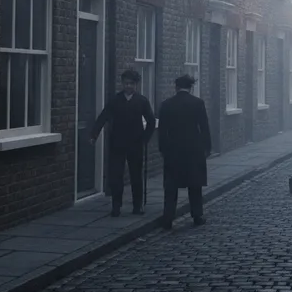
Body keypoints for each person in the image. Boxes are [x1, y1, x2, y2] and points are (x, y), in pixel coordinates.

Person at [91, 68, 155, 217]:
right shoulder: (115, 100)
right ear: (122, 83)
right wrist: (94, 134)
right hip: (117, 143)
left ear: (136, 84)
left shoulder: (142, 101)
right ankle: (116, 206)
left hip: (135, 144)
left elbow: (151, 121)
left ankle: (137, 205)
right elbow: (103, 117)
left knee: (136, 176)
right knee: (116, 176)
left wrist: (145, 139)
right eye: (126, 83)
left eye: (131, 84)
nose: (128, 86)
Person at [157, 74, 212, 229]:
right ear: (190, 87)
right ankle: (197, 216)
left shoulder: (166, 104)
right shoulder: (198, 103)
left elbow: (162, 130)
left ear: (176, 87)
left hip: (173, 150)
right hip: (194, 149)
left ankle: (168, 219)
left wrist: (163, 149)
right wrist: (207, 147)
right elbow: (204, 127)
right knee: (195, 184)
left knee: (171, 186)